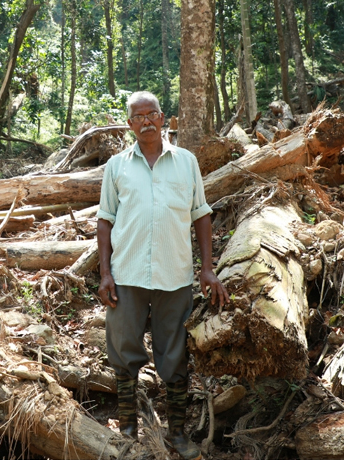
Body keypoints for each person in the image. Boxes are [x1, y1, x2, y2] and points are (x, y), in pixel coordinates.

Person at [97, 91, 230, 460]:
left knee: (173, 355)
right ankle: (127, 429)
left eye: (151, 114)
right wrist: (105, 274)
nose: (145, 122)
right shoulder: (117, 166)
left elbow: (200, 214)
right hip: (127, 274)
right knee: (124, 351)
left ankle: (177, 434)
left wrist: (207, 268)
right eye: (137, 117)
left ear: (164, 118)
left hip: (174, 273)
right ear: (129, 125)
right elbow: (105, 220)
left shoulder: (186, 162)